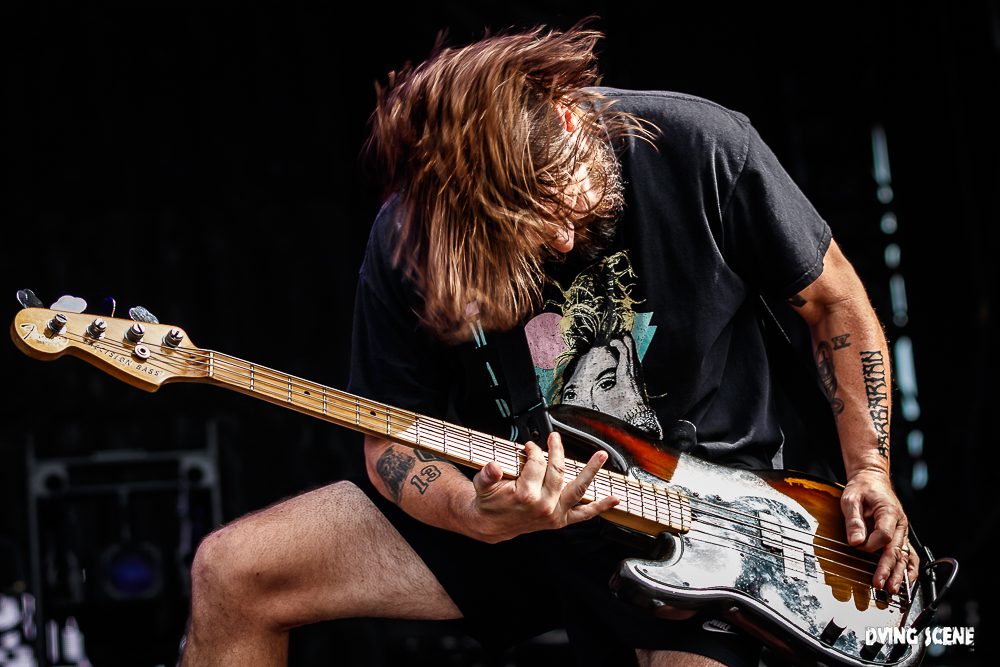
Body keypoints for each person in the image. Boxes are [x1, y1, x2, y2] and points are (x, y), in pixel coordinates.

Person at [180, 22, 919, 667]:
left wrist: (870, 469)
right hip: (517, 513)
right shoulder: (413, 236)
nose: (562, 239)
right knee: (234, 570)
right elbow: (390, 440)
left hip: (704, 526)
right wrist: (474, 513)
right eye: (526, 232)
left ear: (569, 117)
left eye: (552, 196)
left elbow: (834, 304)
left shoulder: (701, 146)